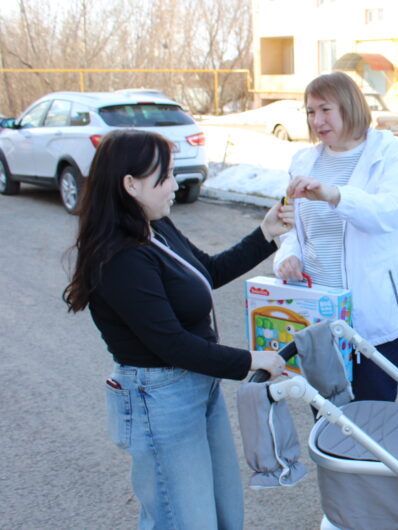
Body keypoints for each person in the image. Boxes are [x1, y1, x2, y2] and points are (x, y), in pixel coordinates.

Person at [63, 129, 293, 529]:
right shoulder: (120, 256)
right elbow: (171, 344)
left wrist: (265, 233)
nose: (174, 184)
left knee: (223, 509)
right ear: (131, 184)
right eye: (165, 176)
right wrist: (252, 360)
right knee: (183, 518)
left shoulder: (155, 227)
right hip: (160, 399)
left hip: (196, 383)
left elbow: (209, 271)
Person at [273, 71, 398, 402]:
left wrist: (336, 195)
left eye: (325, 109)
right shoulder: (304, 161)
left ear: (349, 106)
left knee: (374, 412)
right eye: (310, 111)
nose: (317, 121)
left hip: (372, 312)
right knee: (326, 410)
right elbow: (294, 228)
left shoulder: (390, 152)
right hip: (319, 314)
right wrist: (289, 255)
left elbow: (391, 213)